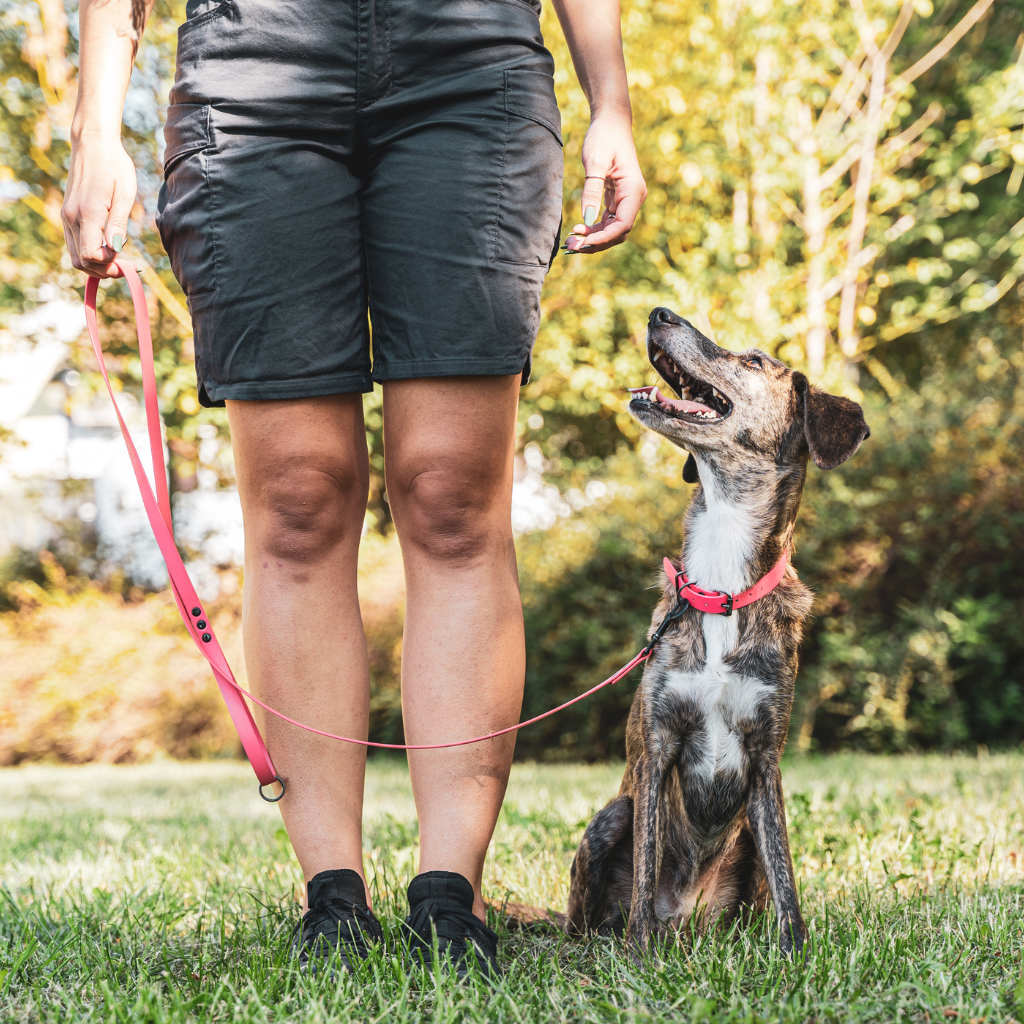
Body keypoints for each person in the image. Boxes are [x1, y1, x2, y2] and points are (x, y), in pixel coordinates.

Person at [63, 0, 646, 978]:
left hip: (472, 66)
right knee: (298, 499)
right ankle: (331, 897)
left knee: (452, 495)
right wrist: (95, 128)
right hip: (253, 69)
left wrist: (611, 101)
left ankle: (449, 896)